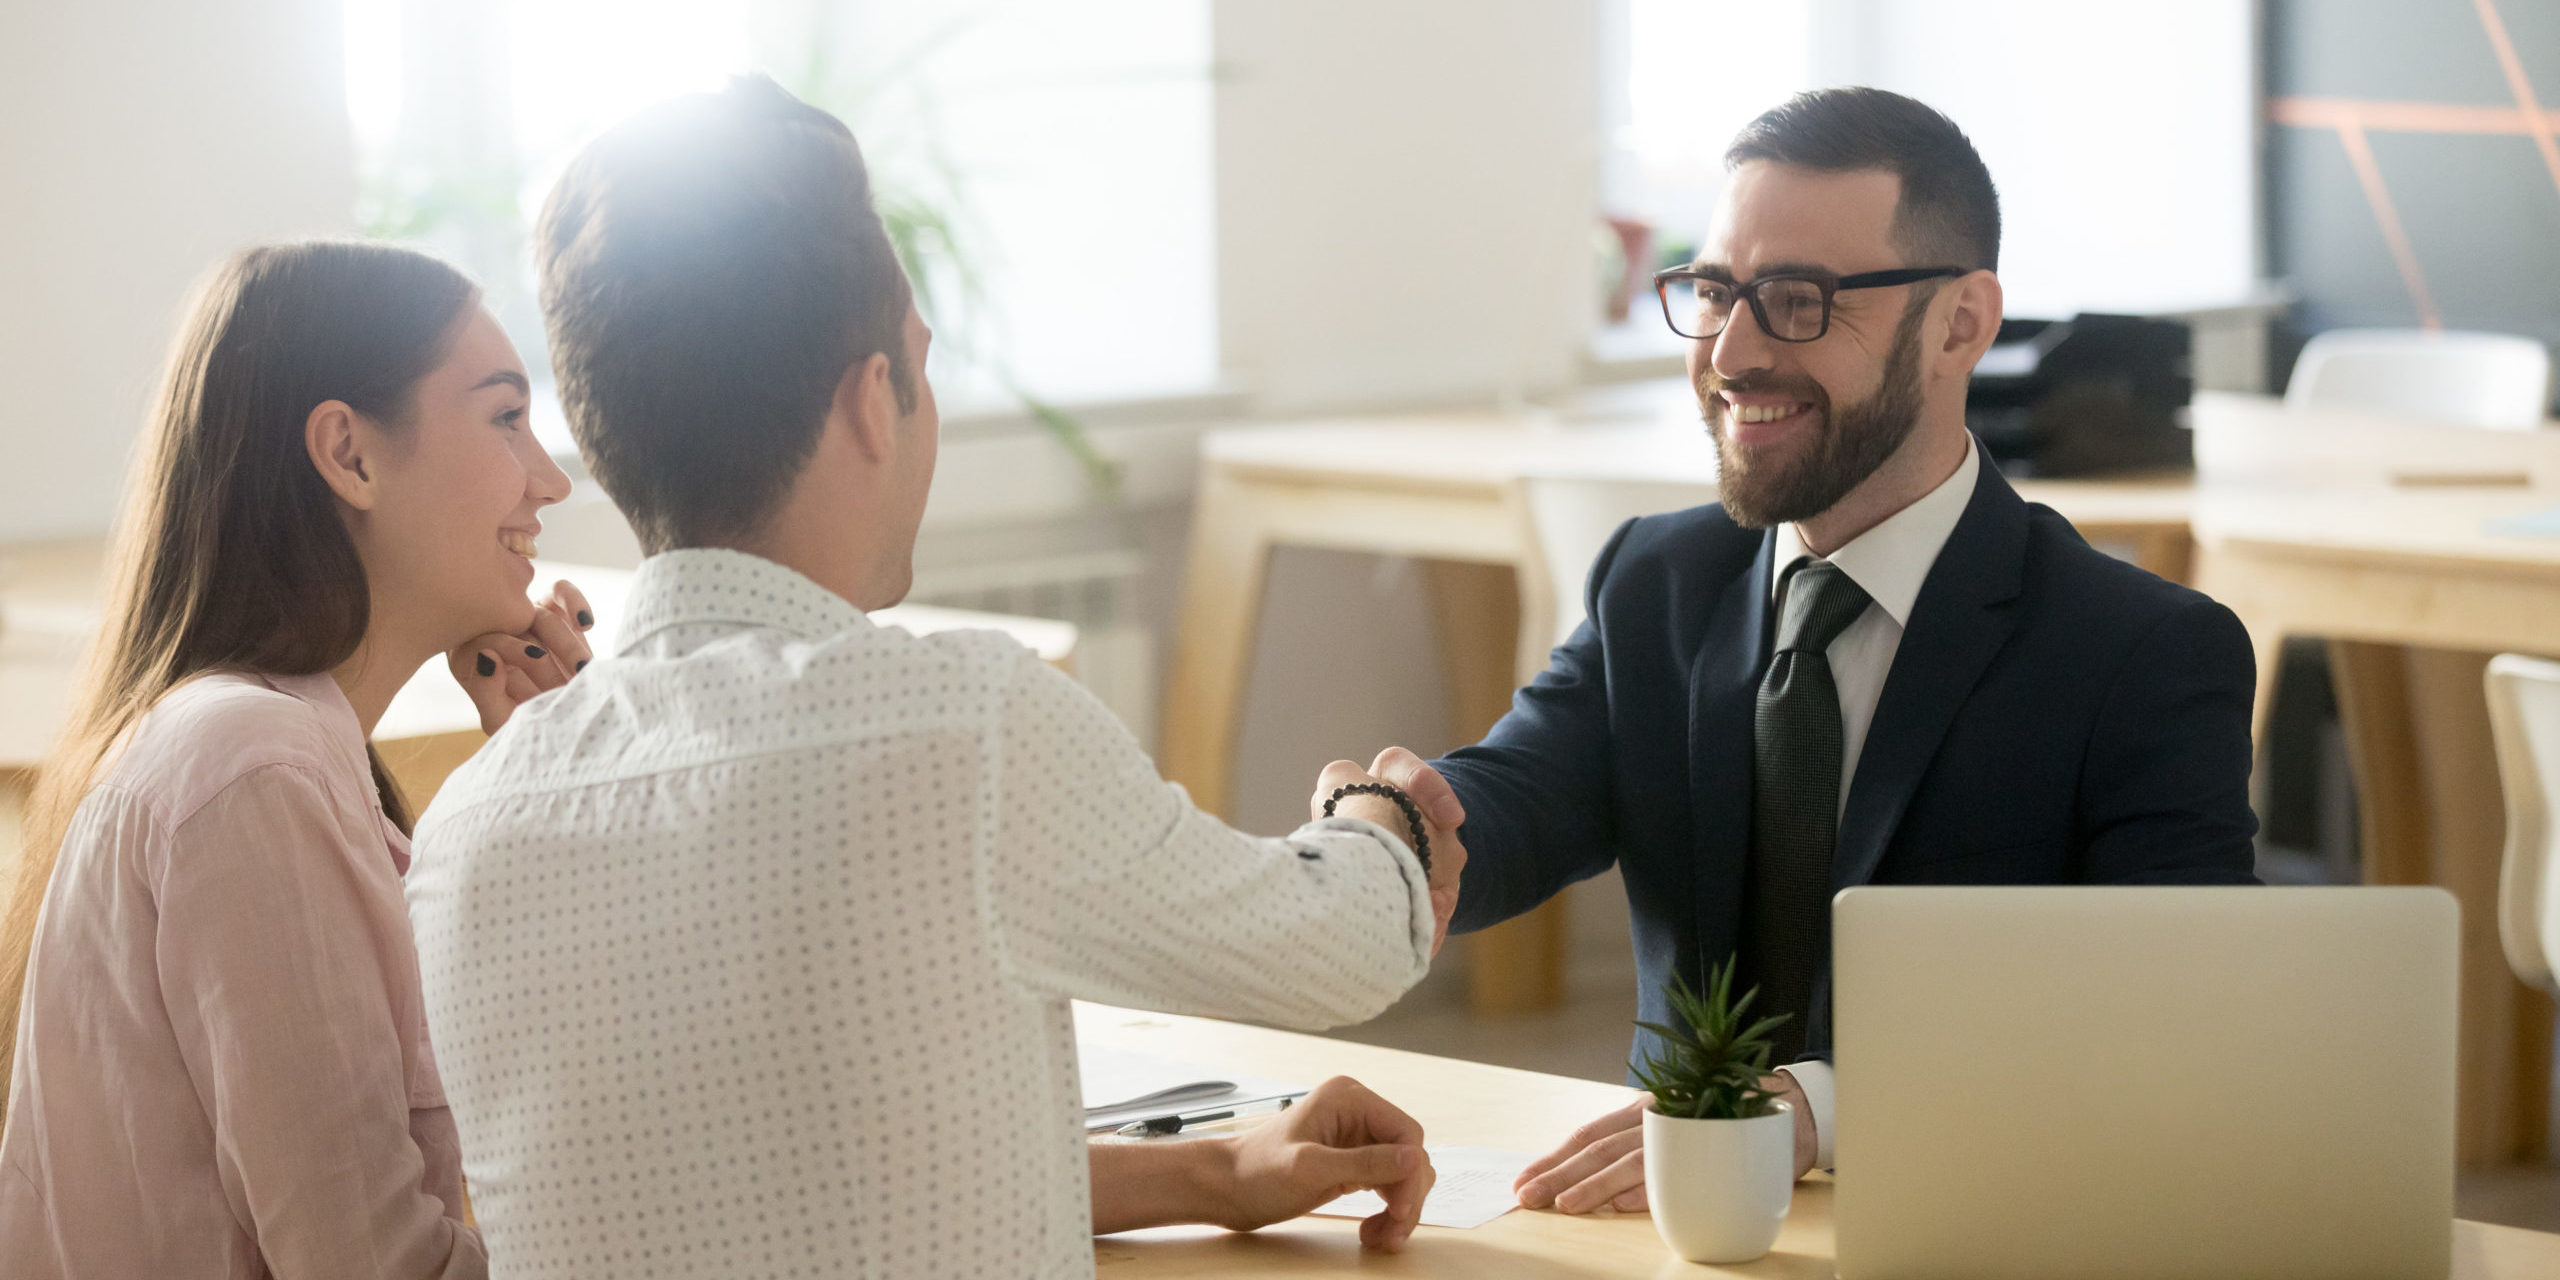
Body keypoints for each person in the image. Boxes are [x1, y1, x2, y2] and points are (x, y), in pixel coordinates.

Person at [404, 76, 1468, 1278]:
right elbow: (1346, 945)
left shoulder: (462, 835)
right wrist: (1372, 815)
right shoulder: (968, 729)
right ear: (872, 399)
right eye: (919, 365)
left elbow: (791, 1165)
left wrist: (1214, 1169)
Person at [1372, 87, 2259, 1215]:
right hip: (1675, 1227)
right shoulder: (1657, 579)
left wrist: (1819, 1107)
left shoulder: (2142, 657)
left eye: (1798, 300)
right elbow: (1518, 792)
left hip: (1987, 1218)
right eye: (1711, 291)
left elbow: (2173, 1015)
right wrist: (1398, 825)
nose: (1730, 352)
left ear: (1961, 325)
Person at [0, 241, 598, 1278]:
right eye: (505, 415)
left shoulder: (275, 752)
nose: (548, 479)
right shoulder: (253, 766)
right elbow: (372, 1262)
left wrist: (534, 784)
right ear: (350, 454)